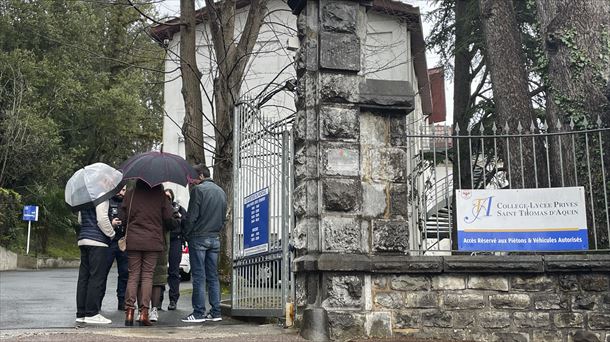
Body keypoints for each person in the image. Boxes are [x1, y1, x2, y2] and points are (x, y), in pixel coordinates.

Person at [120, 180, 177, 326]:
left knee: (133, 276)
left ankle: (129, 311)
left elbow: (123, 217)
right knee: (147, 276)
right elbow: (168, 217)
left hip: (133, 240)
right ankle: (144, 312)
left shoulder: (131, 194)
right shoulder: (159, 195)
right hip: (152, 240)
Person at [181, 164, 227, 323]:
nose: (192, 181)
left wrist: (186, 234)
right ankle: (216, 312)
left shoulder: (198, 191)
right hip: (214, 238)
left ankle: (198, 313)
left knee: (199, 277)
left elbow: (192, 216)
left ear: (200, 175)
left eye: (193, 178)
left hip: (198, 238)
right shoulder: (221, 191)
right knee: (213, 277)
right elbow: (223, 217)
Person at [76, 199, 121, 324]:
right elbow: (102, 219)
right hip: (98, 241)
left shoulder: (84, 197)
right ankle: (92, 313)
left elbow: (80, 220)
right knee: (96, 277)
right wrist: (111, 234)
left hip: (83, 238)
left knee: (83, 278)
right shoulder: (101, 195)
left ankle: (81, 313)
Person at [99, 185, 128, 311]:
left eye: (124, 190)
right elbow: (101, 219)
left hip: (123, 241)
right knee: (102, 273)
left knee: (124, 274)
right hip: (109, 241)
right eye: (120, 189)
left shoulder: (127, 204)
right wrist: (112, 223)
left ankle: (122, 301)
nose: (122, 192)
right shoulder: (107, 202)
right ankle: (97, 302)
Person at [165, 188, 187, 311]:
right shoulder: (159, 208)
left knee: (174, 272)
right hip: (162, 241)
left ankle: (173, 300)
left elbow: (186, 222)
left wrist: (179, 217)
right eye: (165, 197)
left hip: (175, 241)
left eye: (169, 197)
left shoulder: (179, 209)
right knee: (160, 272)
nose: (167, 199)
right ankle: (157, 302)